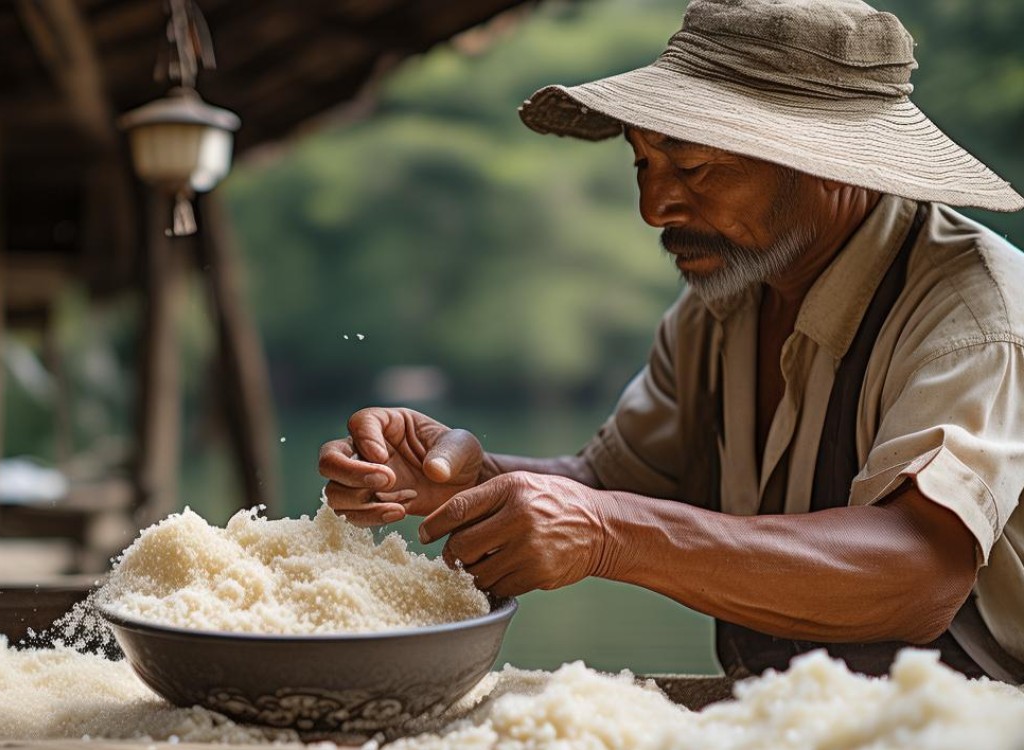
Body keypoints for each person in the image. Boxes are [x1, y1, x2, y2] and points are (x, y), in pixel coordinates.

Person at [317, 0, 1024, 683]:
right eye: (643, 165)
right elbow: (604, 489)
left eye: (695, 169)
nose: (655, 206)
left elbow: (920, 575)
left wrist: (608, 534)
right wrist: (465, 478)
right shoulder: (719, 305)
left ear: (829, 165)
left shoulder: (973, 317)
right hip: (800, 719)